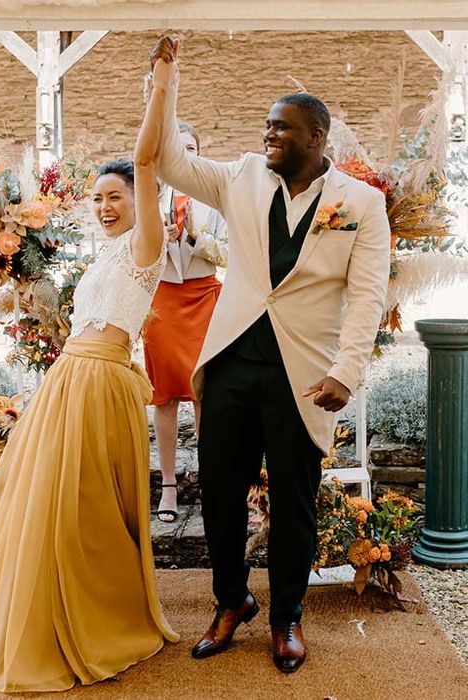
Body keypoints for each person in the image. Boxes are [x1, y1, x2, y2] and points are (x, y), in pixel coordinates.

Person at [0, 52, 179, 693]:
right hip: (67, 380)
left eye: (115, 196)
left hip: (106, 380)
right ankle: (31, 612)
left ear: (140, 201)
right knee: (38, 502)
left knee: (88, 508)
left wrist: (162, 89)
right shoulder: (106, 257)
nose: (105, 206)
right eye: (97, 199)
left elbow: (147, 161)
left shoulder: (149, 247)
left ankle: (96, 612)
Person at [150, 37, 390, 673]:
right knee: (221, 496)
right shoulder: (242, 177)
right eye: (265, 127)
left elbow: (366, 297)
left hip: (304, 377)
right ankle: (231, 603)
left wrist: (347, 370)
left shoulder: (362, 206)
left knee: (294, 502)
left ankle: (286, 616)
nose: (267, 136)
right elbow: (168, 160)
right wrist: (165, 84)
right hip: (230, 363)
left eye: (281, 128)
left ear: (317, 137)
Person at [143, 120, 226, 522]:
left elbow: (229, 254)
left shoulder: (218, 197)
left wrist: (194, 236)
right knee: (164, 395)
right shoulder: (149, 196)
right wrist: (162, 236)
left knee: (205, 395)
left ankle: (213, 481)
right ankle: (170, 485)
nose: (186, 156)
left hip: (204, 299)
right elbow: (134, 256)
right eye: (179, 148)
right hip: (162, 302)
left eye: (192, 149)